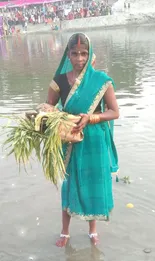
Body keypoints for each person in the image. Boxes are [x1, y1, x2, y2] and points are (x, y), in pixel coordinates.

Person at [47, 33, 119, 247]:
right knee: (69, 184)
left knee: (93, 183)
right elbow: (49, 107)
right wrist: (47, 113)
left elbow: (114, 112)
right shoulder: (58, 81)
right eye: (75, 53)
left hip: (95, 139)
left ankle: (92, 230)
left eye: (84, 53)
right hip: (70, 139)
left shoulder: (101, 81)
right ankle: (65, 231)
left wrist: (92, 117)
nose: (79, 58)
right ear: (67, 55)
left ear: (90, 55)